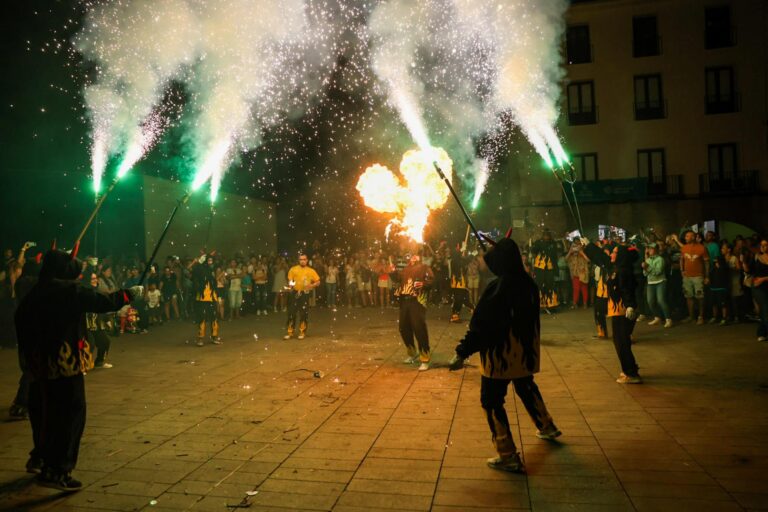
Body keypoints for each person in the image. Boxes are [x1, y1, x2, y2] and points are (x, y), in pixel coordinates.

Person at [15, 248, 141, 491]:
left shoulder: (34, 292)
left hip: (39, 367)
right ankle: (58, 470)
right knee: (70, 416)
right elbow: (103, 302)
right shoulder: (69, 291)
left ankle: (41, 457)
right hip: (65, 365)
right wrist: (128, 295)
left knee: (44, 414)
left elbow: (21, 322)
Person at [449, 232, 560, 474]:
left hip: (500, 357)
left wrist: (461, 352)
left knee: (491, 401)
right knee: (526, 386)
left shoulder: (497, 289)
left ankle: (508, 454)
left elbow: (481, 326)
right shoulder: (528, 283)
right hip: (524, 354)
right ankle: (547, 426)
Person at [584, 239, 642, 384]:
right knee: (620, 341)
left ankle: (631, 373)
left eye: (615, 253)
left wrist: (630, 306)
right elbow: (601, 257)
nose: (611, 255)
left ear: (621, 256)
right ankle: (629, 369)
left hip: (624, 311)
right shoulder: (615, 267)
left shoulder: (624, 271)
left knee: (622, 341)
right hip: (617, 311)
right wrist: (589, 246)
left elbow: (627, 289)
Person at [395, 254, 434, 371]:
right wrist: (392, 272)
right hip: (405, 301)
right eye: (411, 256)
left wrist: (424, 284)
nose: (413, 257)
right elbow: (397, 279)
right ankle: (413, 353)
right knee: (403, 327)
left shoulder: (424, 268)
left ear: (419, 258)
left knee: (419, 328)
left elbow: (431, 280)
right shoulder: (405, 269)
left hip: (417, 301)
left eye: (416, 255)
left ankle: (425, 358)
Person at [673, 231, 709, 325]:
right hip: (687, 276)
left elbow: (706, 263)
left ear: (693, 237)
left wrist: (707, 276)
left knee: (700, 296)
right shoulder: (684, 248)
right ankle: (692, 316)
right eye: (686, 236)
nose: (686, 238)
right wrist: (682, 270)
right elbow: (682, 259)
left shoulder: (702, 248)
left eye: (688, 236)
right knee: (688, 296)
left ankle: (700, 316)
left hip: (698, 276)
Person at [284, 254, 321, 340]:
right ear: (298, 260)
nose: (302, 261)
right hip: (295, 293)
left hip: (305, 293)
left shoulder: (311, 271)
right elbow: (290, 281)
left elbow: (318, 281)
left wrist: (311, 285)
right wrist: (290, 286)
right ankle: (290, 332)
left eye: (304, 259)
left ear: (307, 260)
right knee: (291, 312)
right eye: (301, 259)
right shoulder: (293, 269)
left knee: (303, 313)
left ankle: (302, 332)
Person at [191, 254, 221, 346]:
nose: (210, 262)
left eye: (211, 261)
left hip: (212, 297)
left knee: (214, 317)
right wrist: (199, 262)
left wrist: (217, 297)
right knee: (202, 318)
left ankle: (214, 336)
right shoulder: (200, 270)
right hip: (202, 298)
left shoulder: (211, 270)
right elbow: (193, 272)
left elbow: (214, 284)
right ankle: (200, 338)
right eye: (208, 261)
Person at [643, 243, 672, 328]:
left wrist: (647, 268)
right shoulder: (648, 260)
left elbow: (658, 272)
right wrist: (645, 268)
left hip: (660, 282)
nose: (649, 250)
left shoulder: (660, 259)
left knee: (661, 301)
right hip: (650, 282)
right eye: (649, 249)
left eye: (651, 249)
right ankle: (657, 317)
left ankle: (668, 319)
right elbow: (645, 274)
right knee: (650, 302)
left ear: (655, 250)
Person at [744, 239, 768, 342]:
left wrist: (764, 279)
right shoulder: (756, 257)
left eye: (766, 245)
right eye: (762, 245)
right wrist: (743, 262)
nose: (763, 247)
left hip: (763, 282)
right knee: (765, 309)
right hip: (759, 287)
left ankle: (762, 332)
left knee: (765, 311)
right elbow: (749, 270)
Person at [530, 230, 559, 308]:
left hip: (550, 268)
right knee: (540, 286)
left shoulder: (553, 243)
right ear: (543, 236)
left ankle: (551, 304)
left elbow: (555, 256)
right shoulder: (538, 242)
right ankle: (540, 304)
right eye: (545, 235)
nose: (546, 237)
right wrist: (532, 244)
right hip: (540, 268)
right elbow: (533, 251)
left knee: (550, 286)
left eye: (548, 235)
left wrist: (556, 269)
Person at [566, 240, 589, 309]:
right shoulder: (572, 255)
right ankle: (575, 303)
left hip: (583, 274)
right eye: (574, 246)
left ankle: (585, 303)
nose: (576, 248)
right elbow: (566, 259)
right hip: (575, 274)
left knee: (584, 289)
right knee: (576, 289)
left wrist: (581, 252)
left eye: (577, 245)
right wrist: (570, 252)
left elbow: (588, 260)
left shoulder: (584, 252)